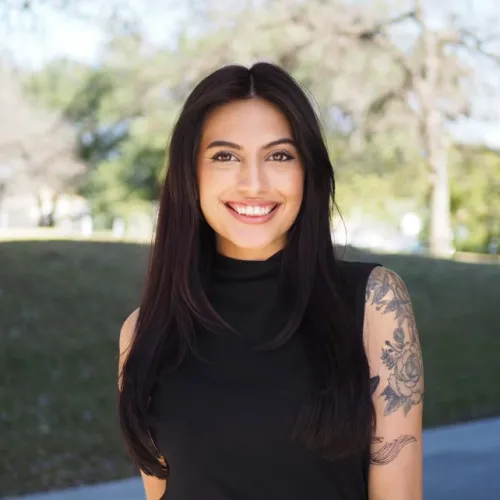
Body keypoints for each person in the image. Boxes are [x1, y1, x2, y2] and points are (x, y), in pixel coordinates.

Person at [118, 62, 424, 500]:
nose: (253, 183)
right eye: (225, 156)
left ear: (308, 171)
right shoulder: (144, 333)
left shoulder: (376, 304)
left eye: (279, 155)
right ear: (190, 174)